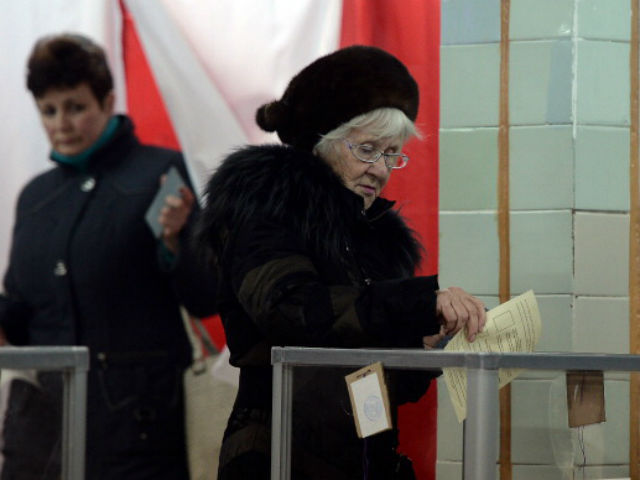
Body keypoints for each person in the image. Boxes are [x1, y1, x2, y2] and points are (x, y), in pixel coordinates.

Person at [193, 45, 486, 480]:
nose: (382, 170)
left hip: (366, 456)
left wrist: (422, 343)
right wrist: (418, 305)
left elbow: (389, 377)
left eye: (392, 154)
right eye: (368, 149)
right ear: (321, 142)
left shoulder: (374, 235)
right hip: (281, 455)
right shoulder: (266, 209)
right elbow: (293, 311)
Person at [0, 33, 217, 479]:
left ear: (108, 100)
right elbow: (22, 316)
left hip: (141, 429)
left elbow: (205, 297)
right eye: (49, 110)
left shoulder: (162, 173)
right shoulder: (35, 197)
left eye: (76, 107)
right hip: (45, 431)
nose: (62, 123)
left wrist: (178, 243)